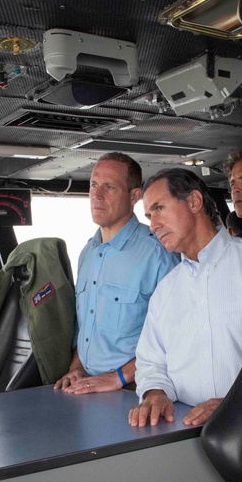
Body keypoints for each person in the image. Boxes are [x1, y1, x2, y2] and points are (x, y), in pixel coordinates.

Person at [130, 168, 242, 427]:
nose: (153, 225)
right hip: (183, 432)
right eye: (149, 216)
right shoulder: (165, 290)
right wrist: (155, 392)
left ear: (194, 202)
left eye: (159, 208)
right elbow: (151, 361)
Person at [54, 153, 178, 395]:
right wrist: (77, 367)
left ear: (134, 196)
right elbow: (86, 325)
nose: (96, 196)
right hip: (88, 386)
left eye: (109, 187)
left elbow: (175, 338)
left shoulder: (158, 253)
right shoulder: (87, 253)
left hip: (134, 388)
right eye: (93, 185)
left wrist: (118, 377)